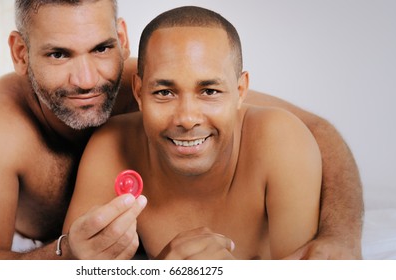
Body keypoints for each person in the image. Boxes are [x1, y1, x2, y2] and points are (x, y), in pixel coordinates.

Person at [0, 0, 362, 260]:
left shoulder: (160, 78)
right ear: (21, 53)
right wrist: (65, 254)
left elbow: (317, 130)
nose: (86, 78)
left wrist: (340, 238)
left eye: (102, 48)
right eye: (59, 54)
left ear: (121, 39)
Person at [64, 5, 323, 259]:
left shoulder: (282, 140)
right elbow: (74, 266)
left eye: (209, 92)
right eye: (164, 93)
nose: (187, 119)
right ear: (139, 93)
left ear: (240, 91)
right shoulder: (111, 145)